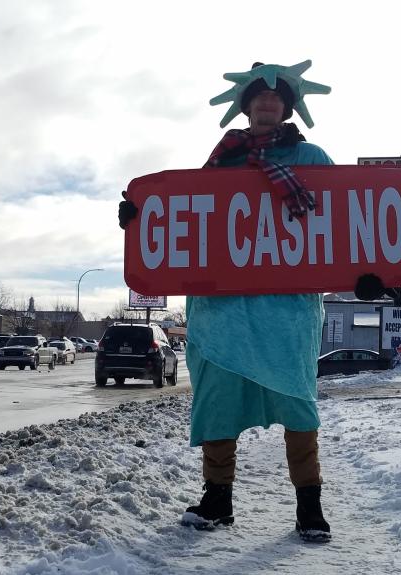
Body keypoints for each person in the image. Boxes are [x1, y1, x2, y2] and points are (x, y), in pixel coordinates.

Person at [118, 60, 334, 542]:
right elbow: (186, 222)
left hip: (286, 312)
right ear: (246, 105)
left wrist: (367, 275)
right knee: (217, 404)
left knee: (298, 405)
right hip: (223, 314)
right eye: (258, 96)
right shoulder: (220, 162)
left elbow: (341, 224)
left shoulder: (312, 157)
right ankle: (218, 500)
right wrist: (142, 219)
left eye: (277, 98)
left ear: (287, 107)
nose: (267, 103)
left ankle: (309, 506)